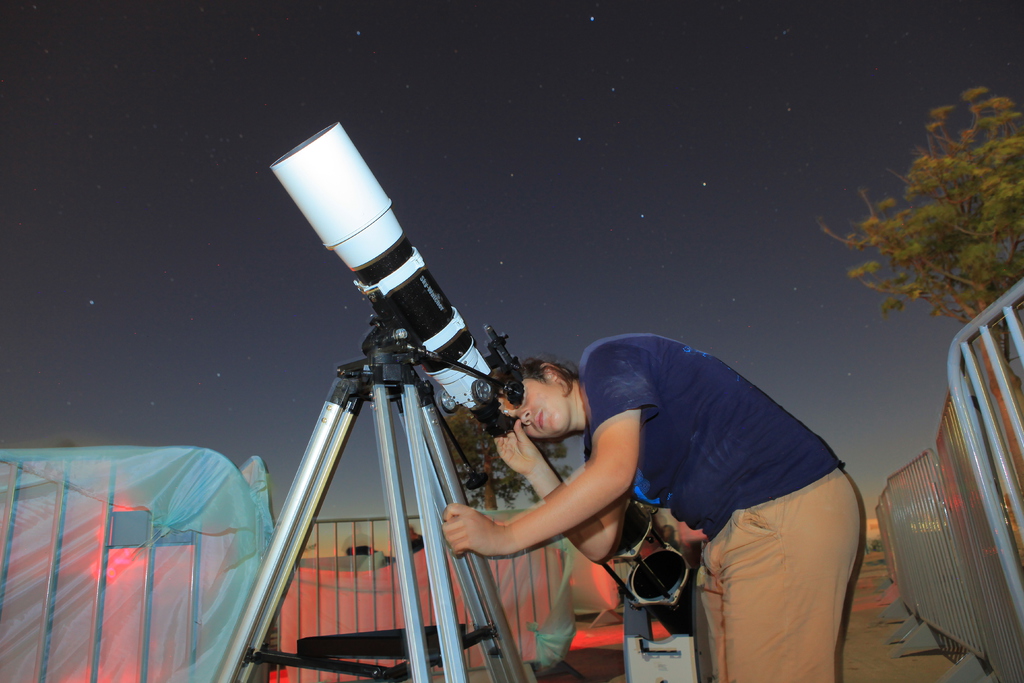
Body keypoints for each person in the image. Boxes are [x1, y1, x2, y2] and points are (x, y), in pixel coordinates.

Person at [442, 333, 860, 683]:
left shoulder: (603, 360)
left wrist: (505, 536)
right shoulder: (604, 446)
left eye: (517, 395)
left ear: (551, 375)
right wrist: (536, 469)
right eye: (514, 418)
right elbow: (598, 543)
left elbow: (613, 474)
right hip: (740, 534)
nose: (522, 415)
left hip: (781, 507)